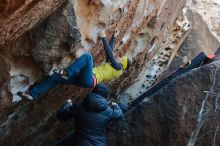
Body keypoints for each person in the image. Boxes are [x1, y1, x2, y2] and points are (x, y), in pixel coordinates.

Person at [17, 30, 131, 100]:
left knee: (88, 57)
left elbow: (111, 55)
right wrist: (114, 37)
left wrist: (103, 38)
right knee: (55, 77)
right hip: (83, 80)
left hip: (91, 79)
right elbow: (109, 52)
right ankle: (32, 94)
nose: (119, 57)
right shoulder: (113, 66)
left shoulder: (119, 69)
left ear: (123, 64)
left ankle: (67, 72)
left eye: (121, 58)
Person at [54, 84, 123, 146]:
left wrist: (67, 104)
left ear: (93, 92)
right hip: (98, 143)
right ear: (105, 97)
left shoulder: (78, 107)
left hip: (79, 140)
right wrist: (115, 105)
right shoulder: (108, 111)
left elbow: (61, 116)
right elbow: (120, 115)